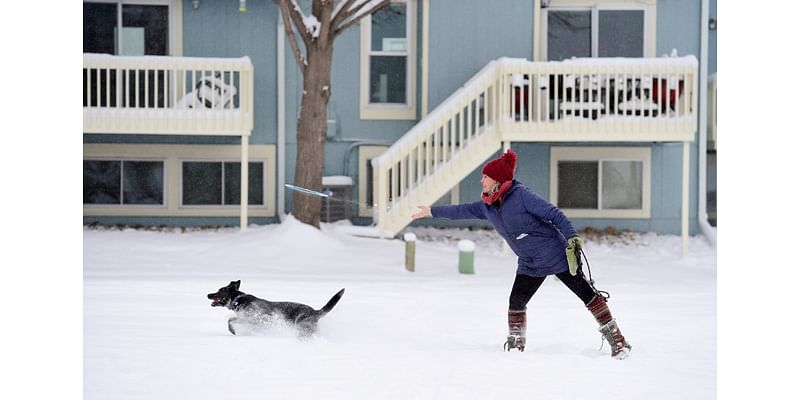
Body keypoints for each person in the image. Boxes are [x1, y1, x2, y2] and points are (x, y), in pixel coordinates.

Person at [411, 148, 632, 359]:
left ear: (497, 180)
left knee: (587, 295)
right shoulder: (488, 206)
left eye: (485, 177)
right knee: (516, 301)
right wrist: (430, 211)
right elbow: (462, 210)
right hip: (530, 263)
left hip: (555, 256)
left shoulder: (522, 196)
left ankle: (618, 340)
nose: (482, 181)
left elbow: (555, 214)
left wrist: (572, 238)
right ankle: (516, 345)